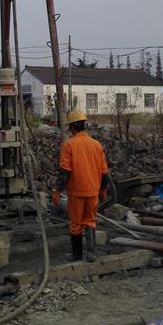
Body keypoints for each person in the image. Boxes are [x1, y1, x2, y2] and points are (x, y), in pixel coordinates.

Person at [58, 110, 109, 262]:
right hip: (93, 192)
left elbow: (64, 172)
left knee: (76, 224)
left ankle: (77, 255)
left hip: (76, 192)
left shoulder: (68, 145)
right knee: (90, 221)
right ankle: (91, 254)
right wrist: (103, 190)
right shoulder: (96, 145)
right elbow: (104, 172)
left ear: (72, 127)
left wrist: (57, 191)